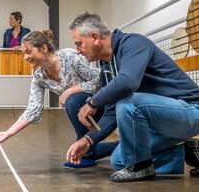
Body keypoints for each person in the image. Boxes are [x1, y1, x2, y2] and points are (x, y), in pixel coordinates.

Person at [66, 12, 199, 182]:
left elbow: (128, 82)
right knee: (120, 160)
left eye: (79, 44)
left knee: (129, 103)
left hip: (191, 111)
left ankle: (143, 167)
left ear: (95, 37)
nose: (77, 51)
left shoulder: (133, 43)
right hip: (163, 124)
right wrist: (88, 140)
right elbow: (111, 112)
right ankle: (188, 150)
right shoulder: (107, 67)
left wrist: (93, 101)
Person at [0, 30, 112, 163]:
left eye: (28, 52)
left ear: (43, 48)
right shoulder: (39, 77)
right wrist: (9, 133)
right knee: (73, 103)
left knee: (72, 101)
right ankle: (96, 149)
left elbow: (100, 80)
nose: (25, 57)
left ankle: (87, 150)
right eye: (23, 53)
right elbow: (33, 110)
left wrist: (69, 91)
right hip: (87, 117)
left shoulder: (70, 56)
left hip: (104, 106)